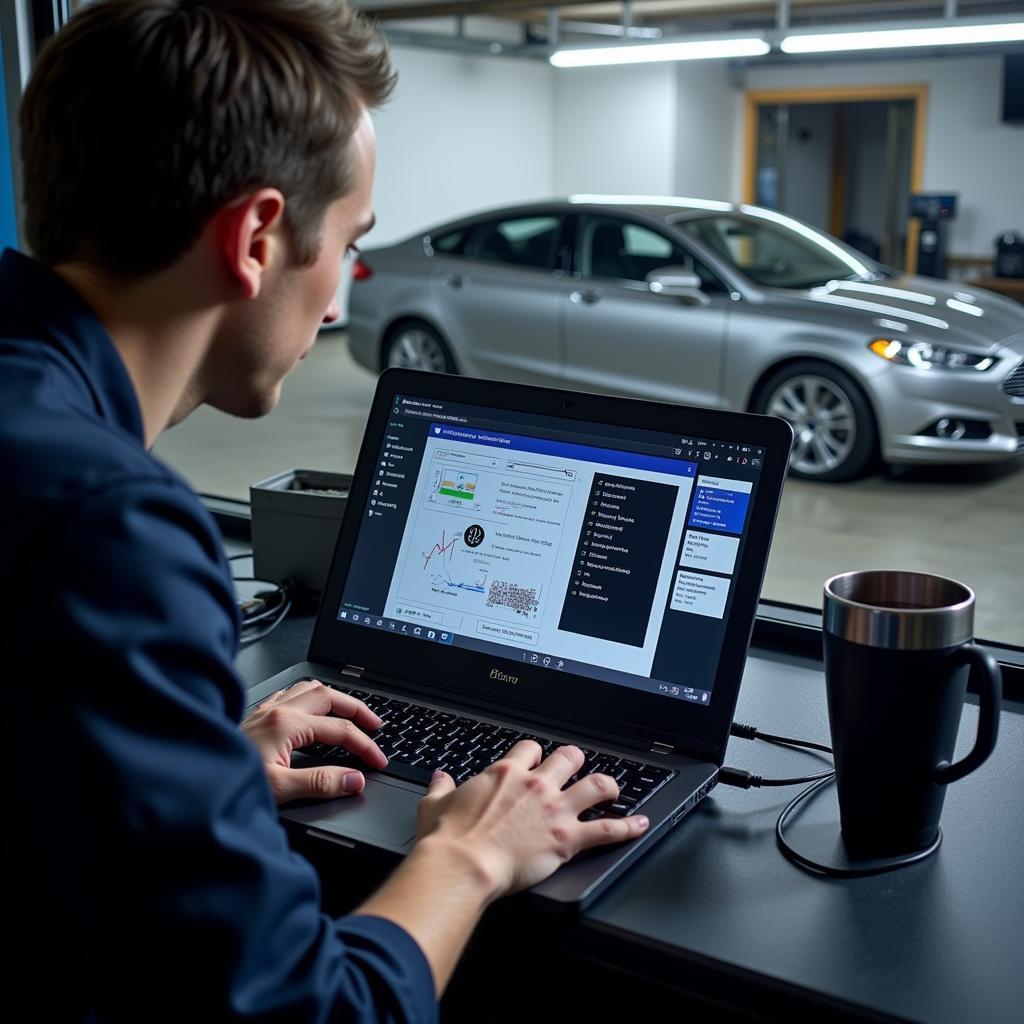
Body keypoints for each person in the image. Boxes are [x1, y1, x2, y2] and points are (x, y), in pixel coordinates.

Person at [1, 2, 650, 1020]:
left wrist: (193, 766)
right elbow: (309, 1012)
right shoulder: (111, 528)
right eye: (350, 243)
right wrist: (468, 857)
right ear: (257, 237)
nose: (344, 293)